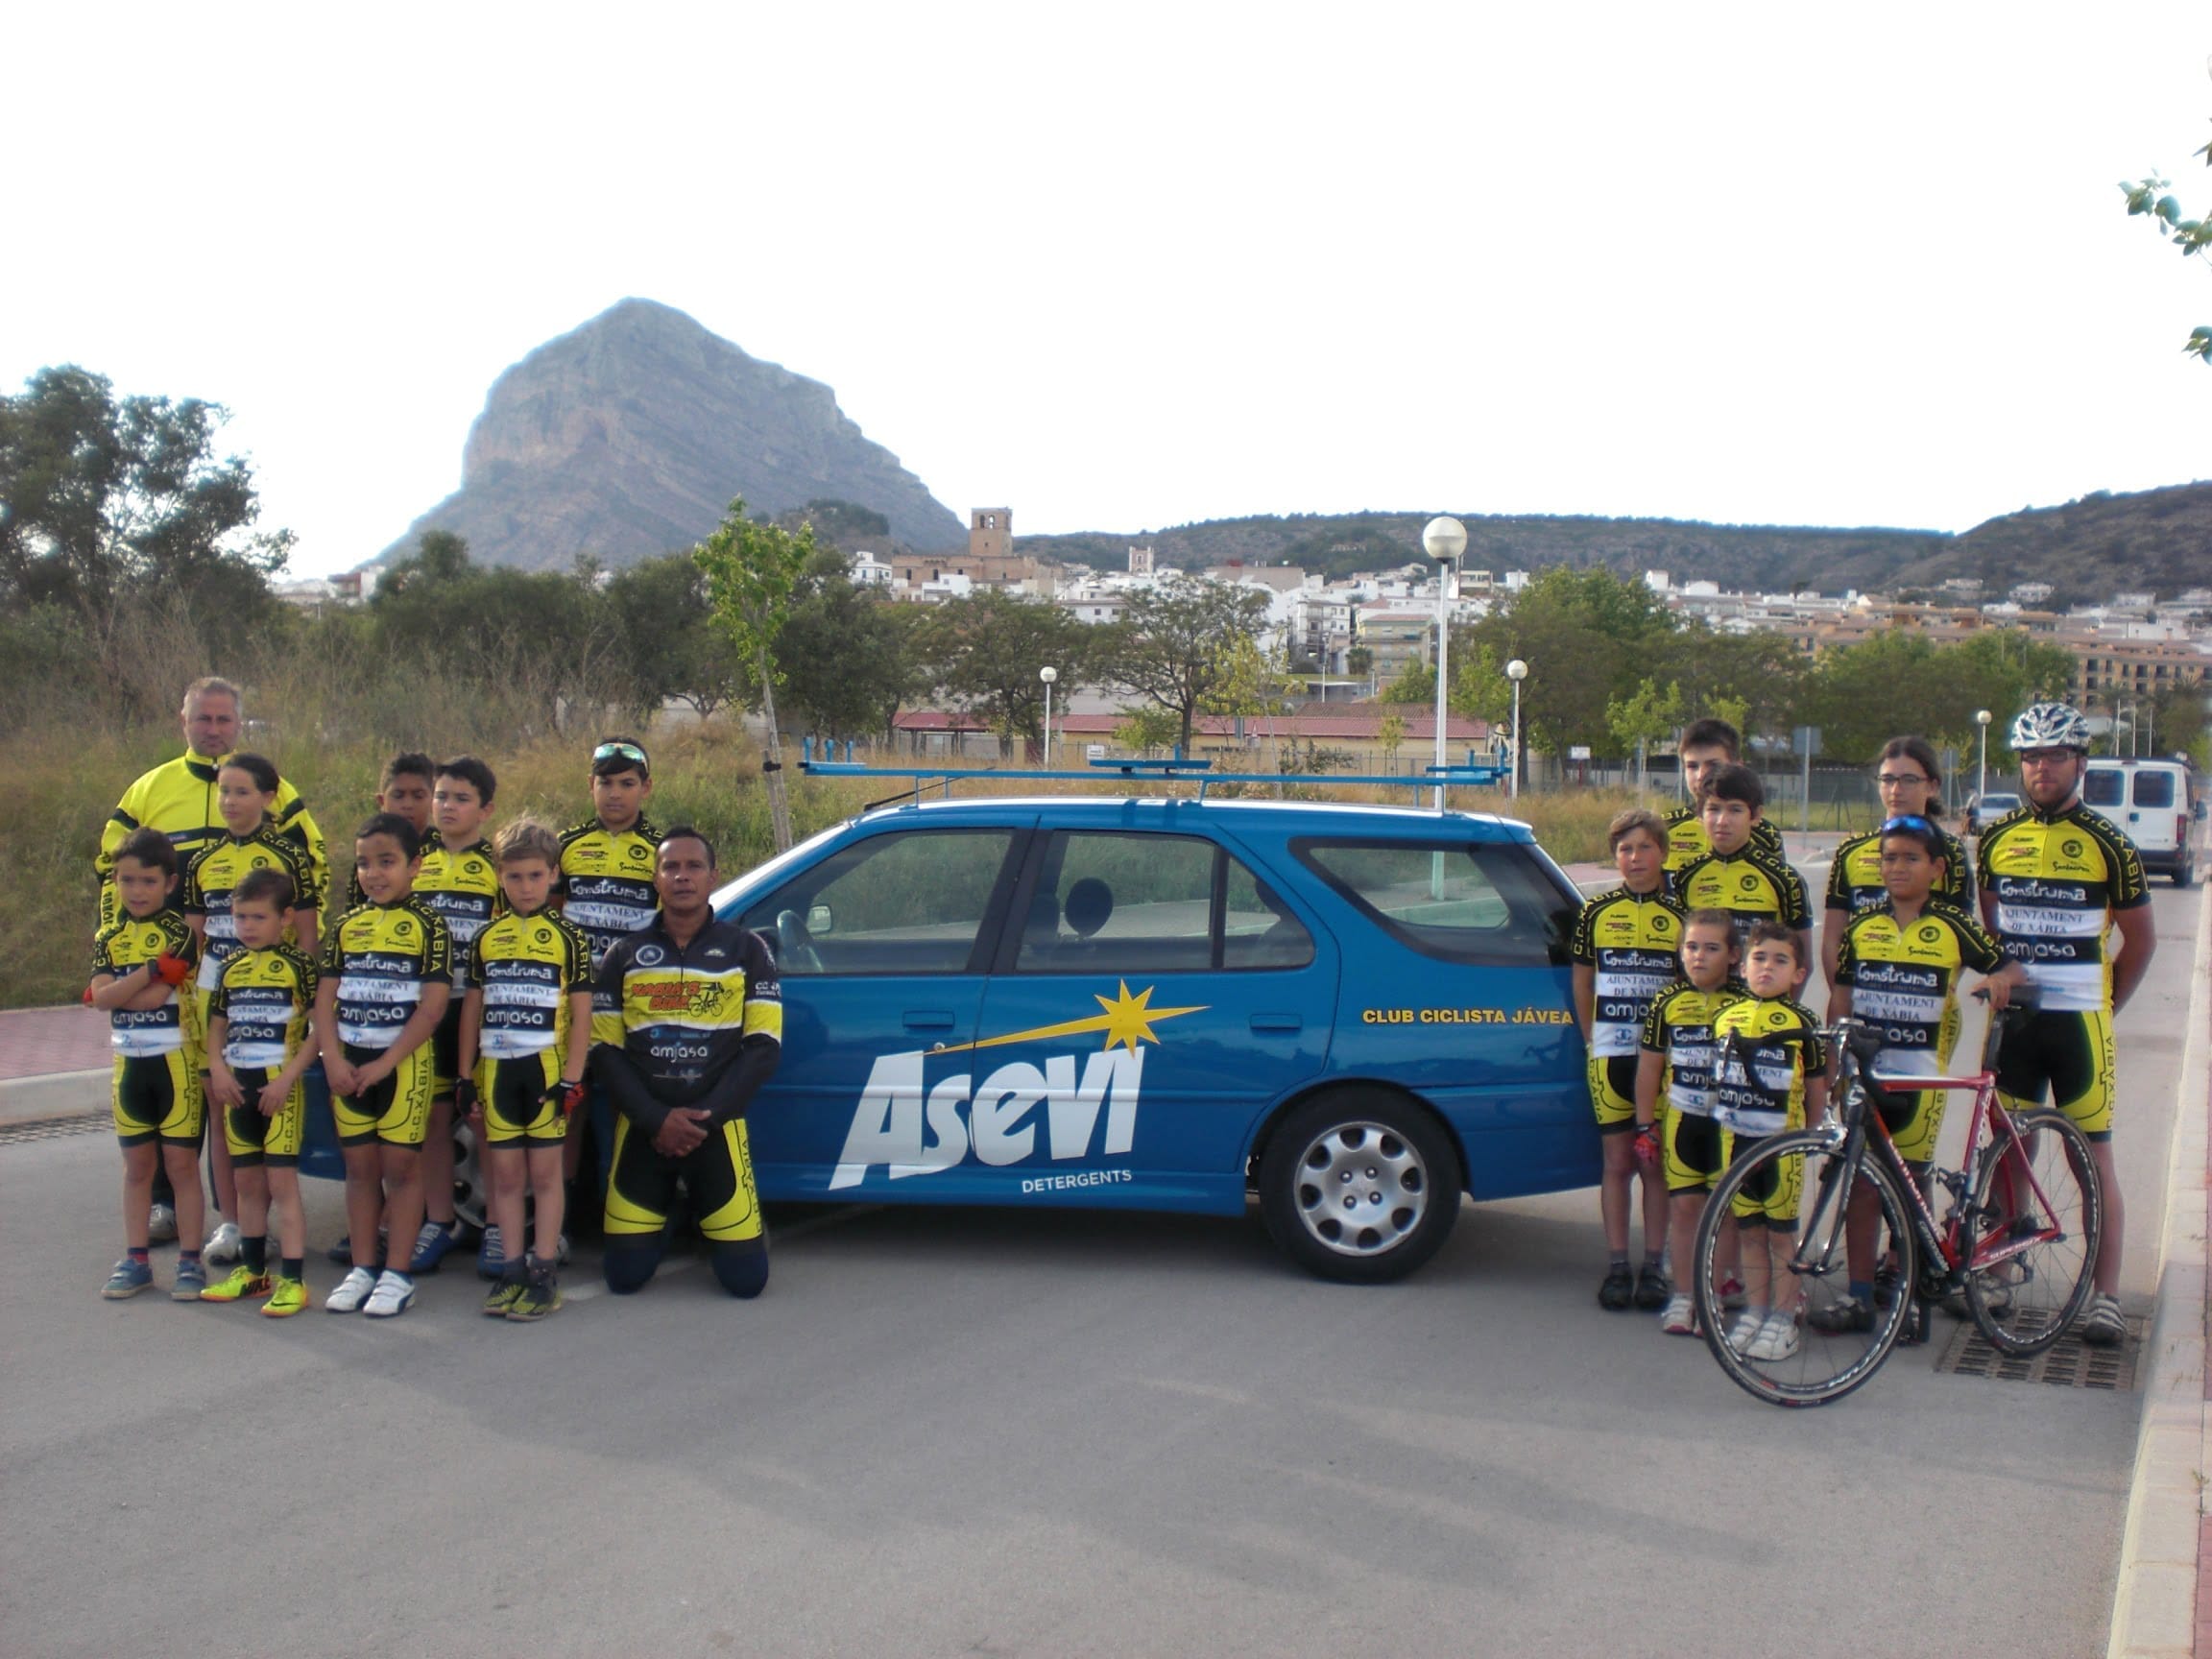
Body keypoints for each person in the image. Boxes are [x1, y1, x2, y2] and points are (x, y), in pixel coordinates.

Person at [94, 676, 327, 1245]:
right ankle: (176, 1209)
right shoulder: (149, 787)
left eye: (224, 720)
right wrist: (120, 948)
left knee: (255, 1102)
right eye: (204, 719)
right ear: (184, 719)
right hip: (192, 983)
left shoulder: (279, 789)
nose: (214, 729)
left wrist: (306, 980)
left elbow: (312, 870)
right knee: (193, 1096)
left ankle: (254, 1221)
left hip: (271, 988)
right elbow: (112, 869)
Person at [1977, 702, 2156, 1348]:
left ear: (2079, 763)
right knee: (2006, 1154)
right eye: (2031, 757)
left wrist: (2108, 1004)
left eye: (2054, 756)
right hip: (2019, 1021)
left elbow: (2140, 941)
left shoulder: (2110, 843)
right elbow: (1991, 930)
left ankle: (2104, 1294)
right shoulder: (1997, 837)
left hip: (2080, 1021)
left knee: (2091, 1160)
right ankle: (1999, 1265)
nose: (2042, 768)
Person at [1817, 815, 2021, 1334]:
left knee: (1911, 1188)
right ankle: (1859, 1295)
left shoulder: (1952, 925)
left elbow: (2012, 966)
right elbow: (1840, 1000)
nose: (1897, 867)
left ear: (1936, 868)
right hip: (1867, 1076)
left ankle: (1910, 1294)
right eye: (1888, 858)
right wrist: (1832, 1071)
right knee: (1863, 1186)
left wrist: (1999, 980)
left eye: (1911, 858)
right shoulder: (1863, 927)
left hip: (1922, 1079)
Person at [594, 829, 781, 1299]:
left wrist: (703, 1120)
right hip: (645, 1129)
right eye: (670, 868)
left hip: (715, 1128)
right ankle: (674, 1211)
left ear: (713, 876)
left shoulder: (747, 950)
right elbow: (604, 1051)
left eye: (693, 867)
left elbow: (763, 1049)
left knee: (746, 1283)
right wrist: (657, 1119)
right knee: (624, 1278)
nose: (682, 877)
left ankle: (703, 1214)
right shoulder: (624, 955)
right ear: (656, 879)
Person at [180, 752, 323, 1264]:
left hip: (276, 996)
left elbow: (307, 937)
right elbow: (193, 942)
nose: (231, 801)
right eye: (223, 792)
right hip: (216, 993)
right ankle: (234, 1224)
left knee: (272, 1108)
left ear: (267, 797)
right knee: (222, 1109)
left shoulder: (289, 856)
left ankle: (274, 1226)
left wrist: (299, 999)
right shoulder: (199, 860)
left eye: (242, 792)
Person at [315, 814, 452, 1318]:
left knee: (401, 1168)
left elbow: (433, 1007)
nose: (374, 873)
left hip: (402, 1065)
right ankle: (363, 1266)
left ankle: (398, 1274)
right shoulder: (347, 924)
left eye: (387, 862)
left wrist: (386, 1063)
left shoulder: (429, 925)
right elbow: (324, 999)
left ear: (415, 866)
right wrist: (332, 1058)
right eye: (365, 864)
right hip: (349, 1064)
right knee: (359, 1169)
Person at [458, 819, 593, 1321]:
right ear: (499, 876)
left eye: (535, 876)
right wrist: (463, 1074)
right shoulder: (486, 937)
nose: (526, 887)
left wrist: (572, 1077)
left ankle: (542, 1271)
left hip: (546, 1072)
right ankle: (511, 1269)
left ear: (553, 874)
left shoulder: (569, 938)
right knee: (506, 1177)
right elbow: (472, 1009)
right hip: (495, 1071)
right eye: (514, 877)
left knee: (546, 1174)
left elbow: (582, 1014)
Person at [554, 736, 664, 1272]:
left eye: (627, 784)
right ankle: (565, 1217)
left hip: (631, 1005)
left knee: (626, 1107)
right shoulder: (568, 845)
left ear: (646, 787)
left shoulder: (661, 848)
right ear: (590, 786)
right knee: (568, 1109)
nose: (615, 794)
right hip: (572, 1004)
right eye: (605, 783)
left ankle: (626, 1212)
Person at [1570, 808, 1683, 1311]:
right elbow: (1583, 979)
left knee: (1654, 1163)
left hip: (1664, 1060)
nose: (1633, 858)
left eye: (1643, 848)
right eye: (1624, 850)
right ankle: (1618, 1265)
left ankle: (1654, 1265)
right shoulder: (1596, 911)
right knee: (1617, 1163)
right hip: (1611, 1056)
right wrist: (1591, 1038)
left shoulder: (1682, 913)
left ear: (1663, 851)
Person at [88, 830, 206, 1300]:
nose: (136, 891)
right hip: (128, 1067)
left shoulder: (180, 933)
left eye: (148, 881)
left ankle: (191, 1261)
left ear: (169, 882)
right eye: (127, 880)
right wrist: (150, 969)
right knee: (137, 1167)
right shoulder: (108, 935)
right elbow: (101, 998)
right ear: (115, 882)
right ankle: (136, 1259)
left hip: (174, 1064)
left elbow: (155, 998)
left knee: (180, 1166)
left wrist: (128, 985)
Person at [199, 867, 321, 1316]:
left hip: (279, 1087)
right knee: (247, 1182)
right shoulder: (229, 968)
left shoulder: (301, 965)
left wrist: (288, 1079)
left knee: (281, 1182)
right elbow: (215, 1028)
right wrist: (219, 1070)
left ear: (285, 917)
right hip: (238, 1085)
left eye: (256, 917)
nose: (246, 927)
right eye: (239, 917)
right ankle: (252, 1272)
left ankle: (292, 1279)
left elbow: (319, 1031)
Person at [1709, 922, 1830, 1361]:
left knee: (1781, 1237)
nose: (1768, 967)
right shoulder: (1725, 1016)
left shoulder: (1804, 1021)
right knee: (1749, 1234)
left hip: (1783, 1146)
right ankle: (1756, 1312)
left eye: (1781, 961)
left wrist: (1815, 1136)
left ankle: (1783, 1318)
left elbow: (1817, 1083)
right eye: (1760, 958)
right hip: (1734, 1142)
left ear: (1798, 974)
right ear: (1742, 965)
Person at [405, 757, 501, 1275]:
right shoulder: (413, 857)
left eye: (460, 798)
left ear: (485, 809)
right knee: (433, 1121)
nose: (447, 806)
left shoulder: (495, 863)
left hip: (474, 1005)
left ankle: (495, 1223)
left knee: (483, 1121)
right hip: (423, 1009)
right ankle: (440, 1221)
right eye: (440, 796)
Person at [1636, 909, 1748, 1336]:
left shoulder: (1744, 1003)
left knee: (1726, 1214)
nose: (1698, 956)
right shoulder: (1667, 1002)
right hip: (1683, 1118)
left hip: (1727, 1124)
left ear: (1735, 955)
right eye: (1691, 946)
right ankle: (1684, 1296)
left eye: (1711, 948)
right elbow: (1649, 1070)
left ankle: (1713, 1295)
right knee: (1684, 1210)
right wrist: (1645, 1125)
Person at [1821, 736, 1971, 993]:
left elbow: (1961, 938)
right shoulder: (1851, 851)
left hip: (1921, 998)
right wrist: (1842, 995)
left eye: (1909, 780)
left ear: (1932, 786)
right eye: (1887, 779)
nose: (1895, 790)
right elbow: (1833, 937)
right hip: (1862, 998)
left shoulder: (1950, 852)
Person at [1671, 763, 1813, 959]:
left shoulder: (1785, 878)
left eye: (1735, 810)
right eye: (1713, 809)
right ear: (1700, 815)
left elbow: (1802, 962)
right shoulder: (1686, 875)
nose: (1722, 820)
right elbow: (1680, 954)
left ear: (1755, 816)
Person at [1663, 717, 1784, 874]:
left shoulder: (1765, 835)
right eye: (1692, 766)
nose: (1700, 775)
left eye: (1713, 765)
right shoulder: (1664, 828)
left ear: (1737, 766)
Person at [342, 753, 440, 912]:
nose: (407, 805)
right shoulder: (369, 852)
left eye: (418, 796)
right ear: (381, 801)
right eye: (398, 796)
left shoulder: (443, 848)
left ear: (432, 801)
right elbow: (353, 914)